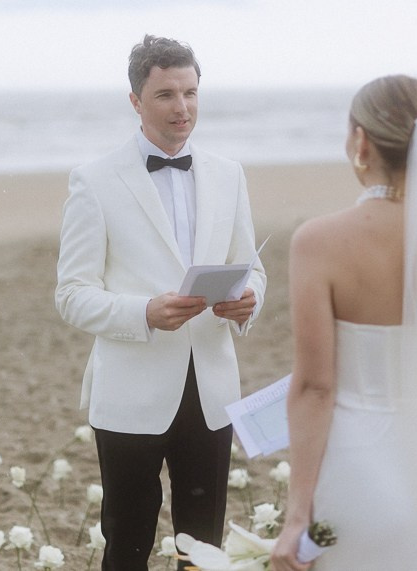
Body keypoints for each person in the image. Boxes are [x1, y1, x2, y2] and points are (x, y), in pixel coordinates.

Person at [55, 34, 266, 570]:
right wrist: (143, 312)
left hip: (212, 390)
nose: (183, 108)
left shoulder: (228, 173)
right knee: (125, 544)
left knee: (203, 548)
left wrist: (248, 300)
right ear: (135, 101)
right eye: (166, 95)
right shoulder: (95, 181)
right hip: (130, 391)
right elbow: (72, 295)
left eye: (191, 93)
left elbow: (253, 266)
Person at [271, 75, 417, 570]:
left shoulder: (318, 241)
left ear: (361, 142)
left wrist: (296, 517)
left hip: (358, 469)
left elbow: (315, 387)